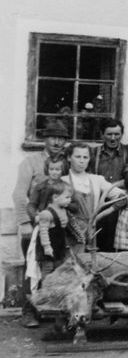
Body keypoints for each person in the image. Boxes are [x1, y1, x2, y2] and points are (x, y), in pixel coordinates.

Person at [12, 119, 69, 328]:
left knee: (59, 267)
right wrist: (25, 222)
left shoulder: (67, 162)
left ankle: (58, 315)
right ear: (44, 139)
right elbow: (19, 194)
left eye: (61, 138)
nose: (56, 141)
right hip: (36, 227)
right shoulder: (31, 162)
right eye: (52, 137)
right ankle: (29, 312)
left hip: (60, 229)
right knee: (33, 268)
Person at [62, 142, 125, 254]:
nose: (81, 161)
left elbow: (122, 197)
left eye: (85, 157)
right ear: (69, 158)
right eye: (77, 156)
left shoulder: (97, 180)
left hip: (92, 231)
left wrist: (102, 215)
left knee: (90, 263)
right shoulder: (62, 181)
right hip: (70, 233)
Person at [90, 119, 128, 252]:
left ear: (122, 135)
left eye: (117, 134)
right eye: (109, 134)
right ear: (102, 135)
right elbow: (89, 180)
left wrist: (106, 187)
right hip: (99, 206)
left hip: (121, 205)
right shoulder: (93, 153)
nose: (113, 138)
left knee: (120, 244)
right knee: (97, 242)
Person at [35, 181, 75, 282]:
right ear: (55, 197)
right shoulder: (46, 213)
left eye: (70, 197)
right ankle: (45, 290)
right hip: (48, 247)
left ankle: (56, 289)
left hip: (58, 246)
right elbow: (43, 232)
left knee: (59, 267)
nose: (70, 200)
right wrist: (47, 247)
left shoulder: (63, 210)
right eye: (67, 197)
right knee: (48, 268)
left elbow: (63, 230)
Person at [26, 153, 69, 223]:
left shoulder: (67, 187)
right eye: (51, 169)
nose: (54, 172)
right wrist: (35, 216)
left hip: (61, 222)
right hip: (44, 221)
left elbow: (73, 204)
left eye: (57, 170)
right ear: (47, 169)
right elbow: (31, 205)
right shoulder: (40, 187)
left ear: (63, 170)